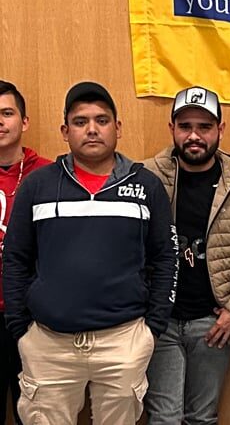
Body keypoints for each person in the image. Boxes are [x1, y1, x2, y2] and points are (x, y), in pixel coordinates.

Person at [2, 82, 178, 424]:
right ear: (65, 131)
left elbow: (165, 258)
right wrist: (21, 329)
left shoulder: (146, 186)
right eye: (81, 122)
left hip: (124, 342)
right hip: (48, 344)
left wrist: (152, 328)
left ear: (118, 127)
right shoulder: (38, 185)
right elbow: (16, 258)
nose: (92, 129)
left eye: (102, 120)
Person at [142, 86, 230, 424]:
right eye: (185, 126)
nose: (194, 136)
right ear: (172, 129)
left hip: (213, 324)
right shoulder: (146, 179)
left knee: (202, 417)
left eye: (205, 127)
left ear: (220, 130)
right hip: (159, 321)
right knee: (164, 418)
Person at [0, 80, 51, 424]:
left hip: (33, 319)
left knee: (35, 416)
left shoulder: (49, 175)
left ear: (24, 121)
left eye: (6, 113)